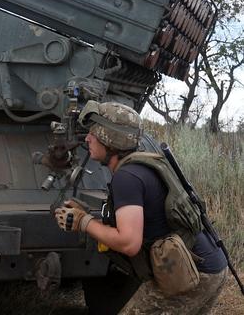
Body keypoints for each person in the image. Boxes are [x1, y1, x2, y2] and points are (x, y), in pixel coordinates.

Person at [54, 100, 227, 315]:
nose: (87, 138)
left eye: (93, 134)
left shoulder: (126, 178)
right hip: (208, 265)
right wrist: (90, 216)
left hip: (191, 273)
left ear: (110, 139)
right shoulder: (140, 167)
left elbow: (128, 243)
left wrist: (83, 222)